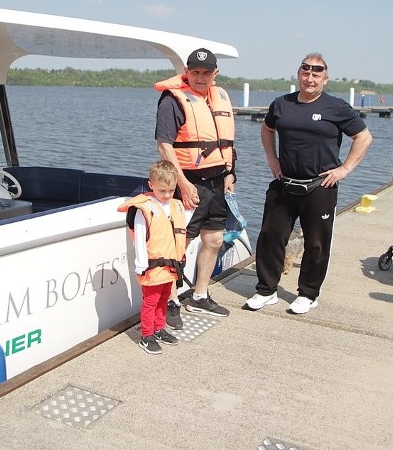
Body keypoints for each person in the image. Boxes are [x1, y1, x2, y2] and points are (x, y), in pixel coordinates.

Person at [245, 53, 372, 314]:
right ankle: (266, 290)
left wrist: (344, 169)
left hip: (320, 186)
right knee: (270, 237)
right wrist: (272, 158)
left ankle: (308, 294)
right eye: (306, 72)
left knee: (316, 243)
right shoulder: (282, 104)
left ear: (325, 78)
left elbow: (363, 136)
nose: (310, 78)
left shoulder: (336, 108)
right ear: (298, 74)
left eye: (316, 73)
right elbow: (268, 129)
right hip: (285, 183)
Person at [154, 48, 236, 323]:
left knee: (213, 240)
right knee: (180, 243)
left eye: (206, 73)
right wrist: (184, 184)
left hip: (216, 183)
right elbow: (164, 145)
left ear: (216, 73)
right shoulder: (172, 100)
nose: (200, 78)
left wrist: (229, 174)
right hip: (188, 182)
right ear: (187, 72)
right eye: (195, 72)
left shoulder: (219, 96)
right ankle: (172, 300)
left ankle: (200, 295)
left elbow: (226, 143)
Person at [117, 160, 186, 355]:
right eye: (162, 190)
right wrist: (141, 264)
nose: (166, 195)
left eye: (171, 191)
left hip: (170, 265)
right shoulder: (144, 209)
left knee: (164, 297)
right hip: (152, 266)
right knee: (150, 301)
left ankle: (159, 328)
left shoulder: (175, 206)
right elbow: (139, 239)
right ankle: (147, 335)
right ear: (151, 185)